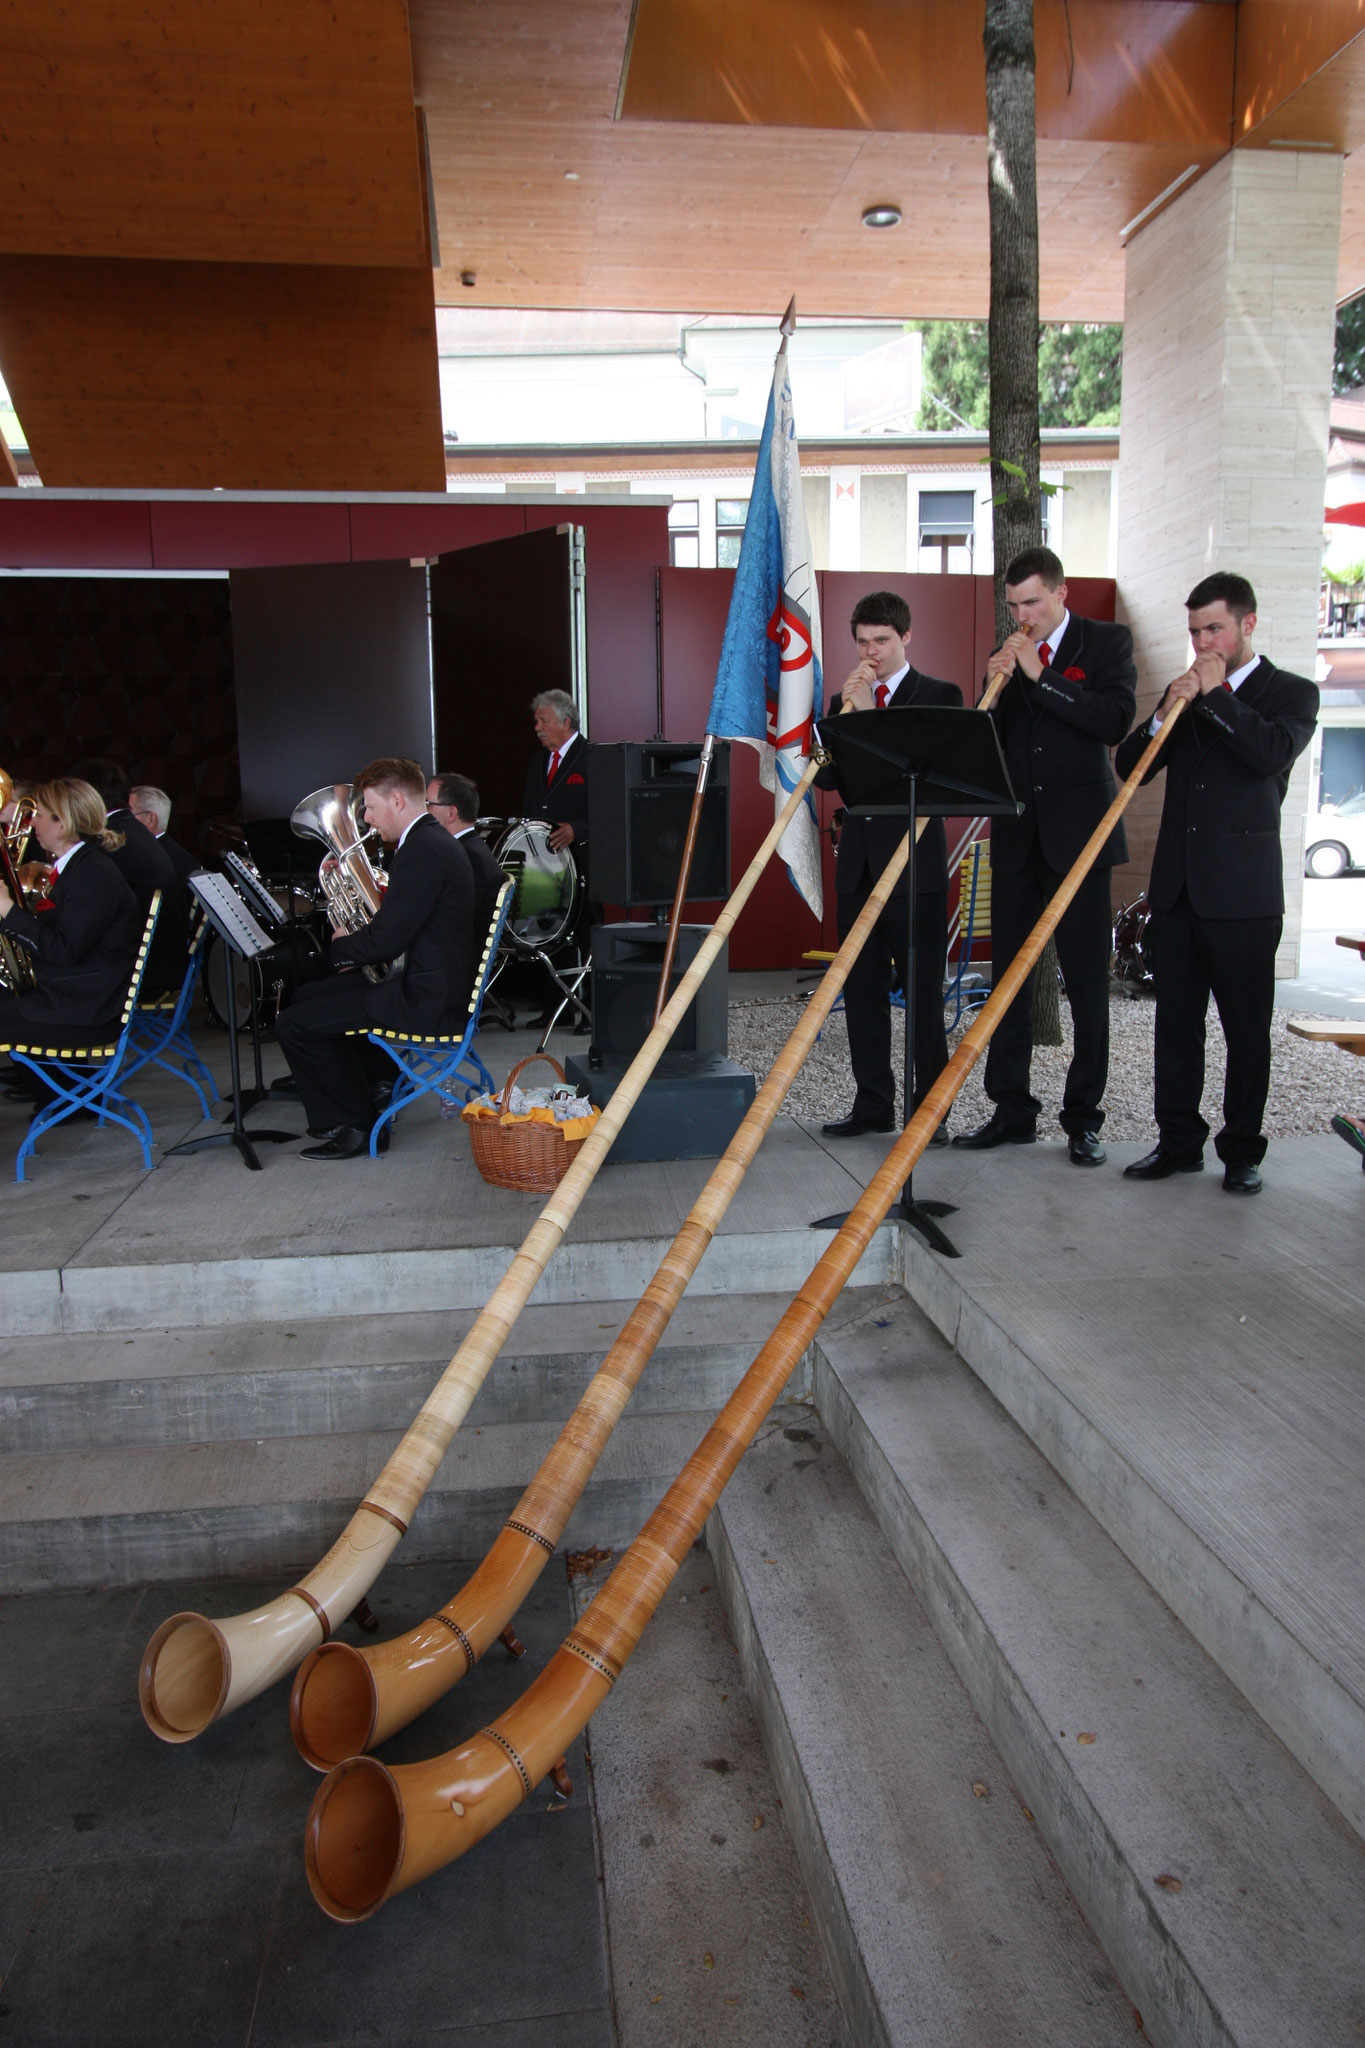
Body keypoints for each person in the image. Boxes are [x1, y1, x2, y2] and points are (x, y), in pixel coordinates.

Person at [1114, 572, 1319, 1195]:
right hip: (1177, 893)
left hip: (1243, 897)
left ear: (1247, 624)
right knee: (1176, 1026)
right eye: (1195, 630)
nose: (1203, 641)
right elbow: (1131, 768)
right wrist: (1161, 716)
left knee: (1245, 1031)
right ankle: (1178, 1143)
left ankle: (1241, 1152)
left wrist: (1217, 695)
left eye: (1215, 629)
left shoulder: (1292, 692)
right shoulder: (1186, 692)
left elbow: (1269, 752)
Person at [953, 546, 1137, 1167]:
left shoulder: (1106, 642)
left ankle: (1084, 1119)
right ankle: (1011, 1111)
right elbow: (992, 743)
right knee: (1008, 982)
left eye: (1031, 601)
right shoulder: (1009, 657)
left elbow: (1113, 722)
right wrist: (997, 683)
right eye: (1012, 604)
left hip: (1081, 842)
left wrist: (1040, 675)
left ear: (1062, 595)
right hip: (1018, 840)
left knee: (1086, 984)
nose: (1021, 614)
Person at [275, 756, 476, 1160]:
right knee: (305, 1000)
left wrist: (341, 946)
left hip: (424, 998)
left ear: (398, 800)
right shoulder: (429, 843)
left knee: (294, 1024)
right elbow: (401, 924)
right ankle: (366, 1091)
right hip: (425, 982)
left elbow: (385, 940)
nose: (366, 819)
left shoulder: (422, 850)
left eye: (369, 806)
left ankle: (358, 1124)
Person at [816, 590, 962, 1141]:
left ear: (906, 638)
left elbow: (935, 772)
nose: (870, 651)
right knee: (862, 994)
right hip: (857, 867)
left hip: (915, 870)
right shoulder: (844, 700)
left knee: (923, 997)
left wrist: (873, 716)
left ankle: (931, 1114)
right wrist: (844, 716)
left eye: (881, 640)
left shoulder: (938, 694)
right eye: (861, 641)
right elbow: (826, 778)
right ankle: (873, 1104)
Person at [0, 778, 143, 1104]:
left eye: (41, 814)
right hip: (78, 993)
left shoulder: (92, 873)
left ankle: (70, 1098)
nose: (32, 822)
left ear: (62, 824)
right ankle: (68, 1098)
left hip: (87, 1007)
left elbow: (65, 950)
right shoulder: (80, 867)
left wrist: (9, 911)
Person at [75, 759, 189, 998]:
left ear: (88, 798)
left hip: (141, 974)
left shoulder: (111, 840)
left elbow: (90, 914)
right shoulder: (133, 830)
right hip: (162, 965)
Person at [426, 772, 505, 937]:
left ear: (451, 813)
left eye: (428, 804)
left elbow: (447, 920)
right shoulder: (471, 849)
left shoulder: (467, 856)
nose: (423, 812)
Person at [523, 690, 589, 856]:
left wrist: (577, 829)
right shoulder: (537, 761)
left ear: (565, 723)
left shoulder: (592, 757)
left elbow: (610, 811)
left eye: (544, 721)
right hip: (543, 862)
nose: (537, 728)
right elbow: (528, 810)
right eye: (536, 721)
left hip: (582, 860)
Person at [129, 784, 199, 892]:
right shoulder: (176, 854)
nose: (122, 821)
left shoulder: (153, 859)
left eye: (127, 815)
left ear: (150, 819)